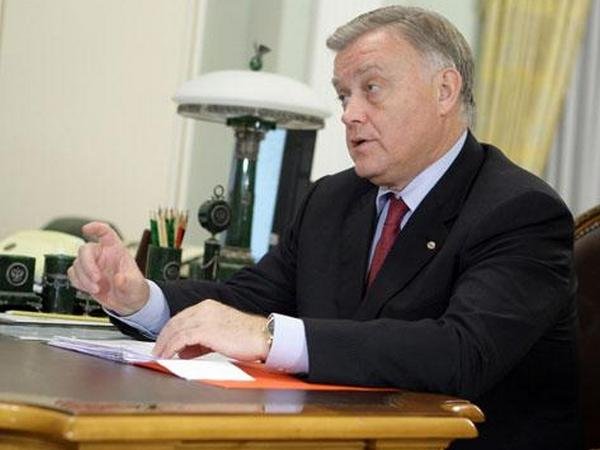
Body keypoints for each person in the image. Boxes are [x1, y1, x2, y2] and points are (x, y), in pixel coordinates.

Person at [68, 6, 581, 450]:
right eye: (343, 96)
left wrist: (267, 336)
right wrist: (140, 298)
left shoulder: (520, 210)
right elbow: (245, 300)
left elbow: (460, 353)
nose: (349, 114)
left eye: (371, 89)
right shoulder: (332, 199)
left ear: (444, 90)